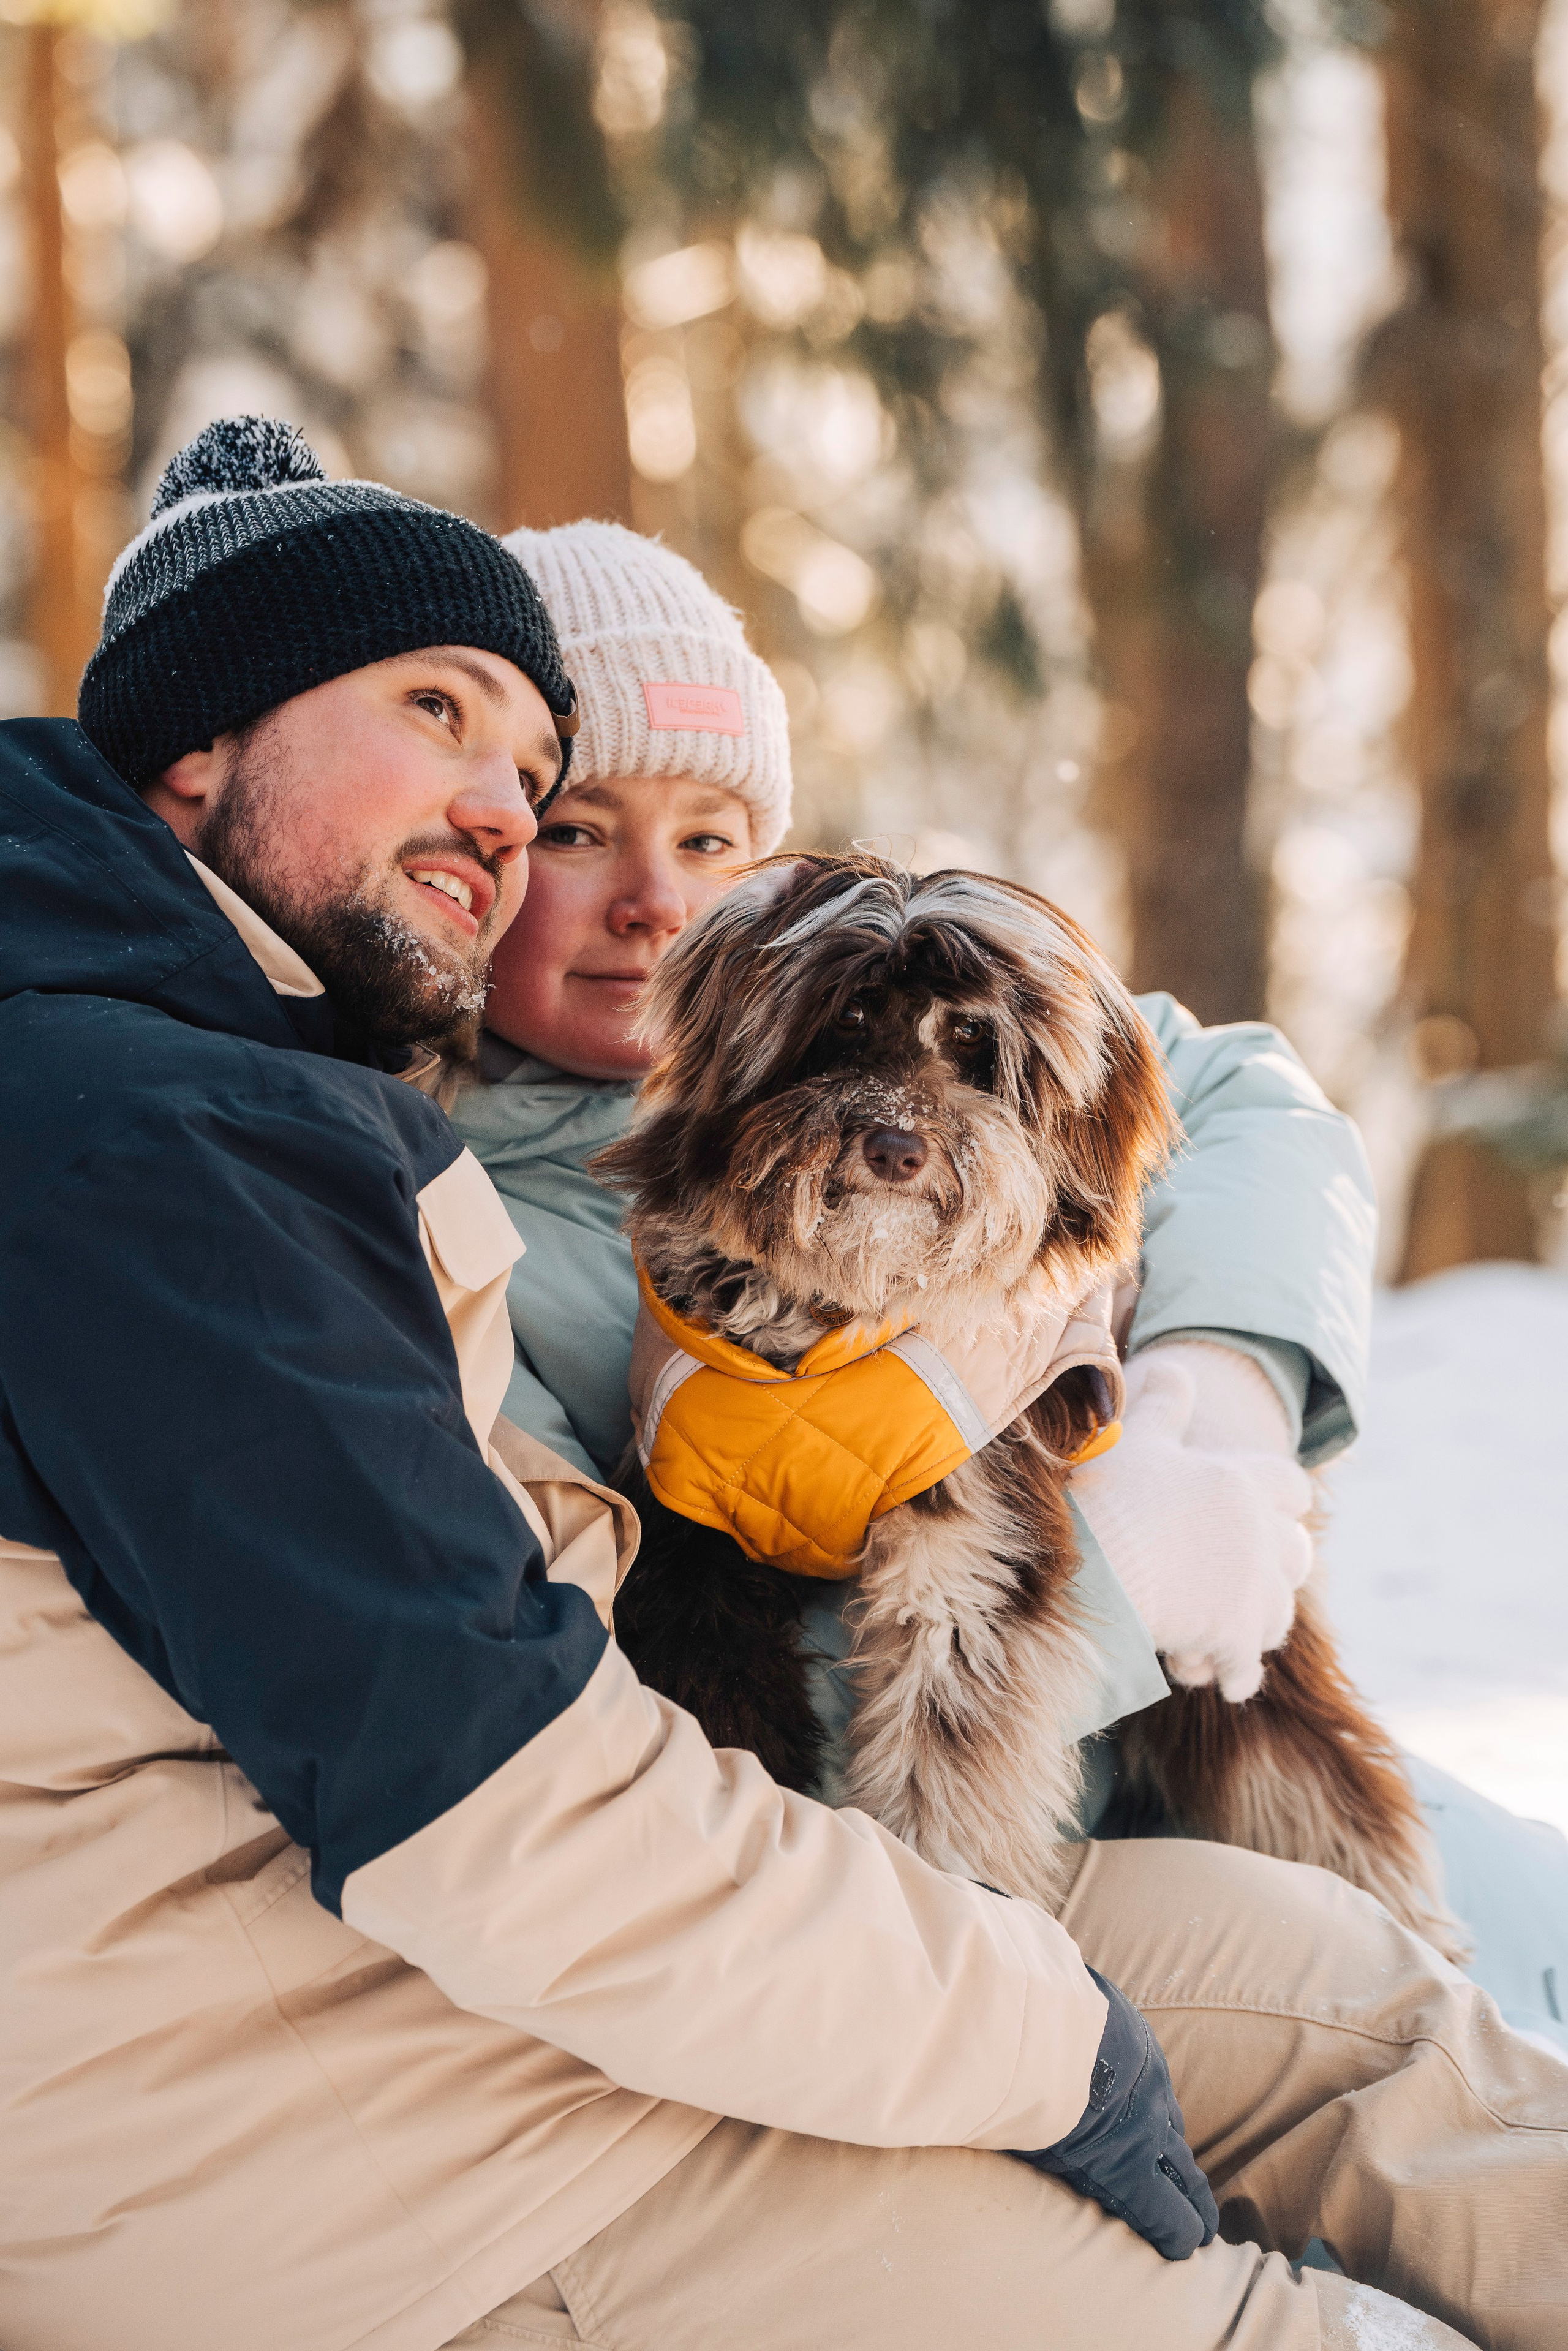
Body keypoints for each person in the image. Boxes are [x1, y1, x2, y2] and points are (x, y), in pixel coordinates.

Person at [0, 420, 1560, 2351]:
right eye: (446, 722)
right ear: (201, 742)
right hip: (418, 2142)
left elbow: (1202, 1076)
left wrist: (1213, 1402)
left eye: (529, 764)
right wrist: (1042, 2035)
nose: (514, 815)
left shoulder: (205, 1065)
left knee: (1367, 2017)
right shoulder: (165, 1144)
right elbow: (511, 1809)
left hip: (599, 1952)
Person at [453, 517, 1568, 2058]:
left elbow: (1238, 1093)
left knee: (1528, 1933)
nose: (658, 899)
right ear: (483, 842)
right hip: (1012, 1895)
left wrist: (1216, 1396)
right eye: (580, 829)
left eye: (712, 839)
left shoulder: (916, 1000)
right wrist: (1117, 1584)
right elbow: (652, 1764)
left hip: (1266, 1750)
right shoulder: (456, 1228)